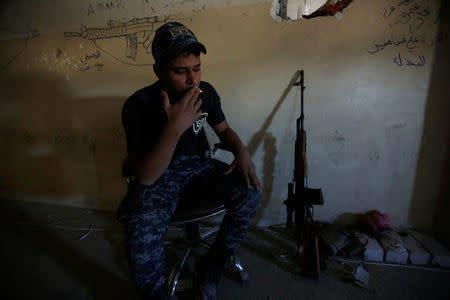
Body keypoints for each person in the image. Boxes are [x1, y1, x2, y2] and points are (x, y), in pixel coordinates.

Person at [116, 22, 261, 300]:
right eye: (181, 71)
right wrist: (174, 127)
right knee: (140, 228)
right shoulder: (138, 105)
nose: (192, 79)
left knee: (249, 191)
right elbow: (146, 176)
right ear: (159, 70)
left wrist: (241, 151)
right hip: (159, 174)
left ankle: (212, 264)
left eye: (197, 68)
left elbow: (224, 130)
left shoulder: (204, 92)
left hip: (199, 167)